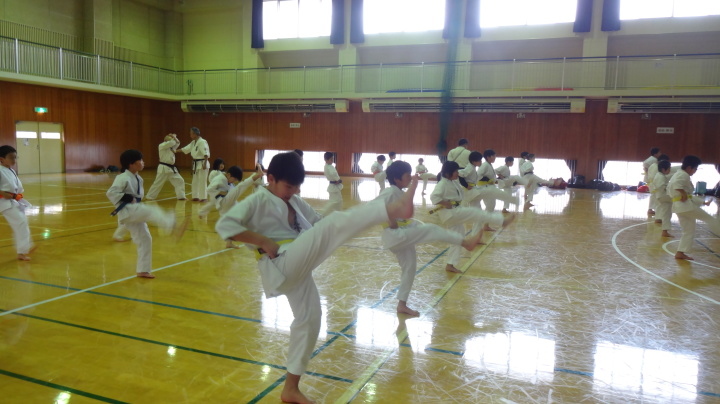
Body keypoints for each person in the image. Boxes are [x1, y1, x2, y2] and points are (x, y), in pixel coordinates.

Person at [215, 151, 415, 404]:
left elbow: (319, 222)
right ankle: (389, 209)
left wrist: (345, 230)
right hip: (280, 263)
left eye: (297, 187)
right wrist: (262, 240)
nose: (293, 192)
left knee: (310, 319)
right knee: (331, 227)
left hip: (297, 263)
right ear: (271, 178)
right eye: (289, 187)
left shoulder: (295, 201)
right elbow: (224, 226)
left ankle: (290, 389)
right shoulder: (257, 200)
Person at [377, 161, 483, 316]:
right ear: (397, 179)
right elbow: (377, 208)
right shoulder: (389, 192)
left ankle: (402, 305)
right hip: (396, 235)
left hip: (402, 234)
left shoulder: (399, 192)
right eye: (407, 175)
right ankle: (465, 242)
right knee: (432, 229)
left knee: (410, 269)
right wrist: (390, 222)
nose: (410, 177)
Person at [106, 149, 187, 278]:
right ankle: (170, 224)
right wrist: (126, 197)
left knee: (145, 239)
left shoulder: (138, 178)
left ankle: (142, 270)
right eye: (140, 160)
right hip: (128, 209)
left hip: (133, 211)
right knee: (151, 210)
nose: (143, 162)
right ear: (131, 164)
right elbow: (111, 193)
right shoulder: (122, 177)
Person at [431, 161, 515, 273]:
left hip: (453, 211)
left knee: (457, 237)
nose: (457, 173)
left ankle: (450, 264)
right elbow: (434, 197)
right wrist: (445, 203)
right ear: (448, 173)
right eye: (455, 171)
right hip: (451, 213)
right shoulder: (442, 184)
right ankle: (502, 221)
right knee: (476, 213)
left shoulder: (452, 182)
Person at [667, 155, 720, 260]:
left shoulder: (679, 174)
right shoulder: (683, 175)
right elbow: (676, 185)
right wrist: (682, 192)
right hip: (686, 207)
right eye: (695, 169)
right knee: (710, 219)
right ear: (689, 167)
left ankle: (680, 252)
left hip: (680, 207)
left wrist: (703, 202)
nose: (695, 171)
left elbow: (687, 195)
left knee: (689, 230)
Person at [0, 145, 35, 261]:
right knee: (21, 222)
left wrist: (17, 196)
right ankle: (22, 251)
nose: (14, 160)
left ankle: (22, 250)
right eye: (11, 157)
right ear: (1, 159)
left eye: (15, 157)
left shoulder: (10, 170)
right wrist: (3, 193)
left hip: (14, 201)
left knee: (21, 223)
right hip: (4, 202)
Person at [145, 133, 186, 201]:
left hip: (171, 169)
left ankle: (181, 196)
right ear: (166, 141)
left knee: (179, 180)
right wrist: (174, 136)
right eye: (171, 139)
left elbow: (178, 143)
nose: (173, 140)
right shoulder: (162, 145)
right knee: (158, 183)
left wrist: (174, 137)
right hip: (163, 168)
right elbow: (173, 142)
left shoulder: (171, 147)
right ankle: (150, 197)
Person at [179, 126, 210, 202]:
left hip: (202, 163)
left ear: (195, 134)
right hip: (196, 164)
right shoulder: (193, 142)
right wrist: (175, 151)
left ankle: (203, 197)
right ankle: (196, 196)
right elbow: (186, 149)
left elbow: (206, 154)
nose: (190, 135)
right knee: (195, 181)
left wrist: (205, 164)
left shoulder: (202, 142)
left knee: (202, 181)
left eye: (191, 134)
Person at [652, 160, 673, 238]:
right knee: (667, 213)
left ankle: (664, 230)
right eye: (669, 169)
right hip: (664, 196)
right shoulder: (660, 177)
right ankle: (665, 231)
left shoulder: (659, 175)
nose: (670, 170)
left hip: (660, 196)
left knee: (666, 212)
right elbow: (661, 187)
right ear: (664, 169)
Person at [321, 152, 343, 216]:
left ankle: (337, 214)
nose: (332, 161)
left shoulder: (327, 166)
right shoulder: (329, 167)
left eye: (333, 159)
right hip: (334, 186)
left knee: (338, 201)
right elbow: (333, 174)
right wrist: (338, 180)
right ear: (326, 160)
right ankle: (323, 214)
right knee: (334, 202)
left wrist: (338, 180)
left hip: (333, 186)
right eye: (331, 159)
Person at [643, 147, 662, 215]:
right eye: (659, 152)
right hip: (651, 179)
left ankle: (652, 209)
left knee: (654, 194)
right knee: (654, 194)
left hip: (650, 179)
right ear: (655, 154)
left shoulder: (650, 159)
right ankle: (650, 209)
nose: (660, 154)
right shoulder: (653, 160)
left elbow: (645, 167)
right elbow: (646, 168)